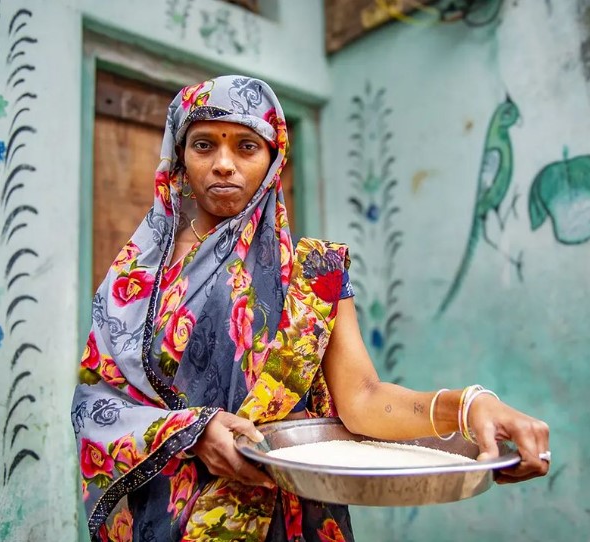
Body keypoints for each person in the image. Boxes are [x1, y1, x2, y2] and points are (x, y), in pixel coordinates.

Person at [71, 75, 550, 542]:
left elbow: (362, 399)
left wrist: (469, 405)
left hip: (286, 518)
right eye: (203, 145)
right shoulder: (136, 279)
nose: (223, 163)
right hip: (165, 517)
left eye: (246, 146)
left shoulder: (315, 275)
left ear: (274, 160)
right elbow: (97, 402)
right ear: (178, 158)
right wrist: (192, 430)